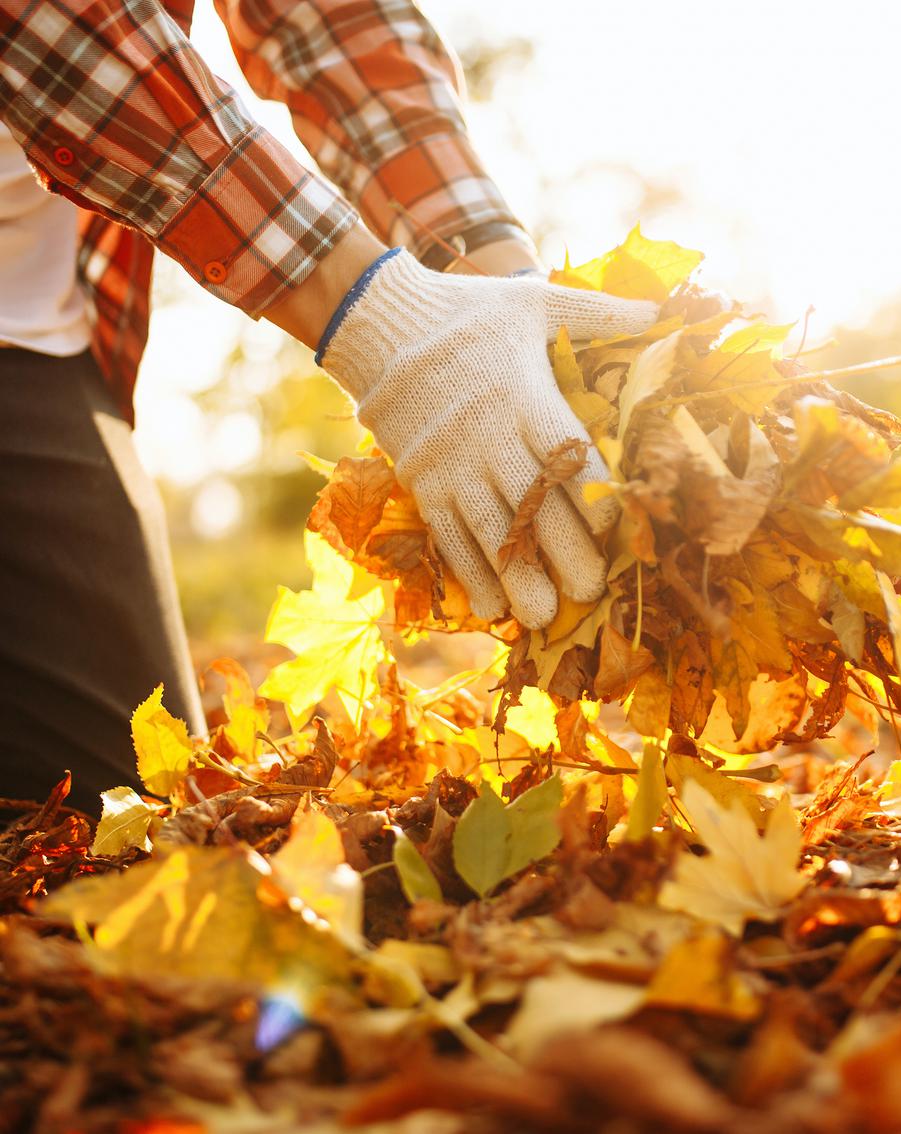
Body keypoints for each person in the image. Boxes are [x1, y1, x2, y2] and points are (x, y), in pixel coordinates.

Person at [0, 0, 656, 811]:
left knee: (111, 804)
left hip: (28, 337)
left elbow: (333, 23)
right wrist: (379, 320)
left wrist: (496, 290)